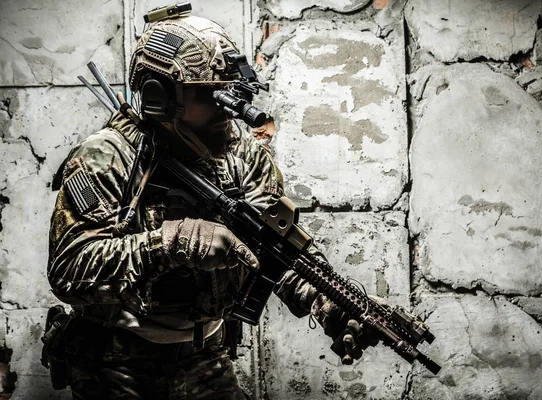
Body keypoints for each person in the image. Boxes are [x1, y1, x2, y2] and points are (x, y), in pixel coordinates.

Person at [44, 10, 380, 400]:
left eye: (232, 91)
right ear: (159, 95)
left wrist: (331, 301)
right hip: (115, 364)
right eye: (210, 94)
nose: (229, 109)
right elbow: (69, 269)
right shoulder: (108, 156)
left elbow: (272, 250)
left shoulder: (243, 157)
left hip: (205, 358)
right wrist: (171, 242)